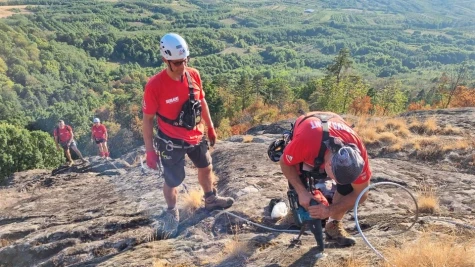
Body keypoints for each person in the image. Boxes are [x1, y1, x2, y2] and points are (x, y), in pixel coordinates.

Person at [142, 33, 234, 238]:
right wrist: (150, 151)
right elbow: (147, 120)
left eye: (185, 61)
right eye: (176, 63)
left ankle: (210, 199)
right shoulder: (155, 86)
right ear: (165, 60)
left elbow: (202, 102)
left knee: (206, 166)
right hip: (170, 140)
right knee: (173, 180)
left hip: (195, 133)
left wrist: (210, 127)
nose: (182, 66)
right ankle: (171, 211)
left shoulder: (193, 75)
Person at [278, 111, 371, 246]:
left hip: (331, 128)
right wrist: (302, 192)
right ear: (327, 165)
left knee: (348, 188)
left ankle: (333, 224)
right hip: (311, 133)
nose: (336, 185)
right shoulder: (306, 142)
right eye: (336, 179)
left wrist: (330, 210)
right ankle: (294, 213)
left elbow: (361, 195)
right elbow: (285, 162)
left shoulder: (358, 156)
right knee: (298, 177)